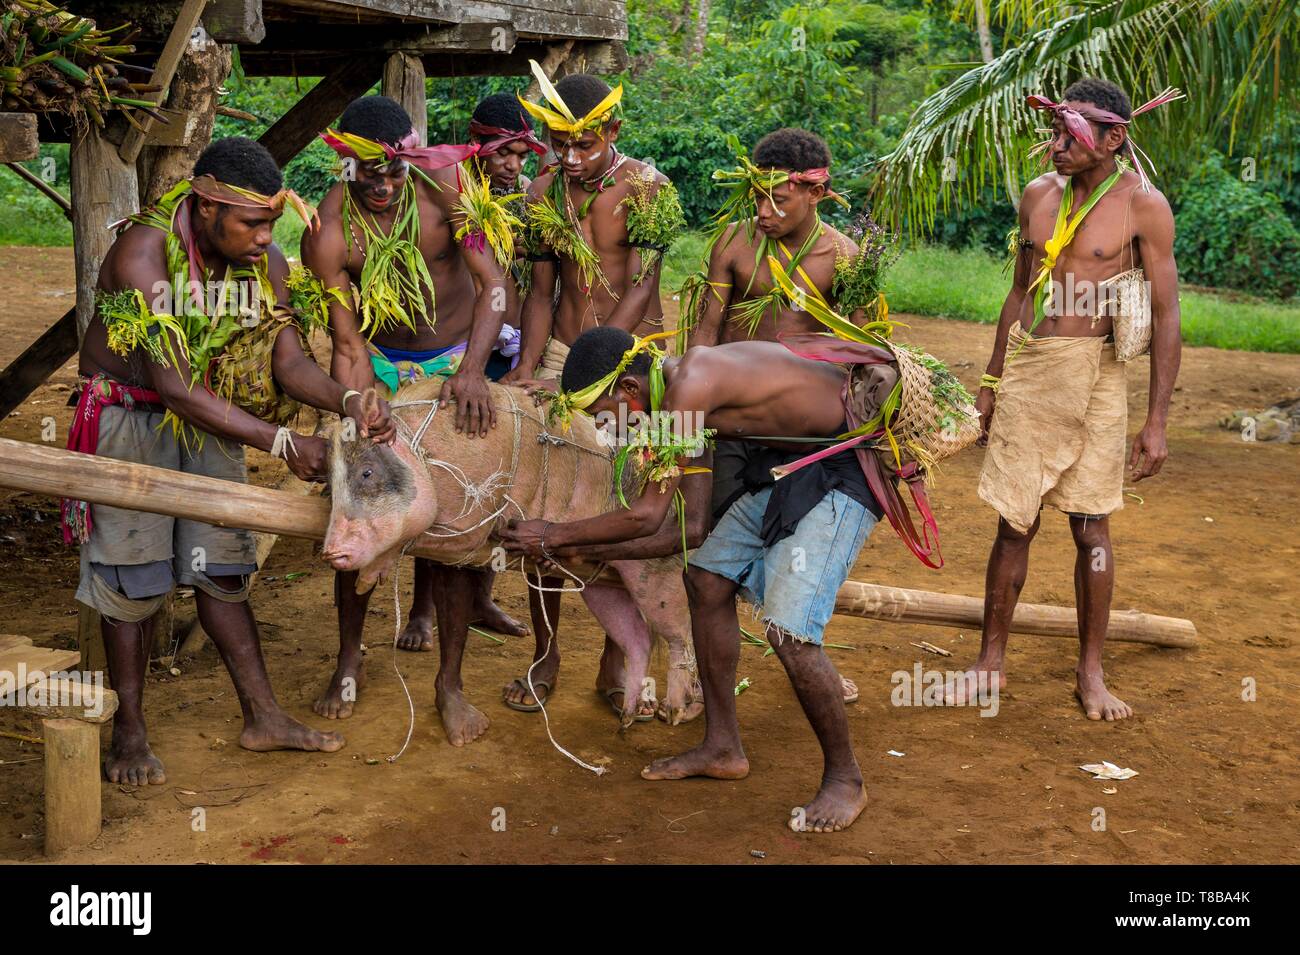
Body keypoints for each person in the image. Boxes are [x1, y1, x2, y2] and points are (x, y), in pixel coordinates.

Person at [67, 136, 386, 783]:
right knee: (134, 578)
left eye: (273, 222)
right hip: (131, 418)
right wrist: (281, 441)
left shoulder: (261, 265)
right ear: (206, 205)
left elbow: (287, 359)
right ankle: (129, 731)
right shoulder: (142, 254)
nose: (267, 238)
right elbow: (176, 387)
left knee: (225, 567)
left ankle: (263, 715)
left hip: (213, 415)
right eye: (253, 223)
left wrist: (348, 397)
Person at [502, 327, 882, 833]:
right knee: (706, 581)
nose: (609, 430)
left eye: (603, 417)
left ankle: (845, 779)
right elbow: (692, 526)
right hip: (793, 465)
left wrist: (552, 535)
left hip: (846, 467)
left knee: (790, 635)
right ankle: (723, 746)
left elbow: (647, 516)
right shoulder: (679, 401)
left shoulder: (690, 386)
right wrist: (573, 548)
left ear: (629, 393)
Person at [950, 77, 1183, 721]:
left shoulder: (1144, 206)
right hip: (1032, 368)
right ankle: (988, 666)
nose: (1055, 147)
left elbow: (1167, 316)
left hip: (1100, 374)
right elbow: (1020, 293)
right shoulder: (1037, 195)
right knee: (1014, 522)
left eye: (1071, 137)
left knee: (1092, 528)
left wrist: (1156, 421)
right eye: (1053, 133)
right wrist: (993, 383)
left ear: (1114, 138)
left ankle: (1091, 673)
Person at [300, 95, 527, 726]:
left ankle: (449, 681)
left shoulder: (449, 190)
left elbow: (496, 286)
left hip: (460, 357)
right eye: (366, 172)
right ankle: (350, 654)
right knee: (359, 502)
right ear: (345, 163)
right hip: (381, 363)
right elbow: (346, 342)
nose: (381, 185)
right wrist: (360, 411)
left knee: (454, 509)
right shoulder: (328, 232)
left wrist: (475, 371)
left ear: (412, 157)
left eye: (394, 171)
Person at [498, 62, 688, 718]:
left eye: (585, 144)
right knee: (542, 499)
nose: (571, 157)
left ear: (613, 130)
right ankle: (545, 652)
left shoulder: (648, 187)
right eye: (560, 144)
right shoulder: (543, 189)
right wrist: (530, 367)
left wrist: (599, 360)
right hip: (560, 355)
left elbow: (640, 286)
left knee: (629, 497)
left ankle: (619, 652)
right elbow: (542, 290)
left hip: (632, 357)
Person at [684, 128, 876, 705]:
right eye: (758, 198)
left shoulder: (844, 257)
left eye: (780, 200)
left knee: (791, 543)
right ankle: (705, 662)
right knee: (710, 544)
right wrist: (689, 425)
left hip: (803, 436)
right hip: (729, 423)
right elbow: (704, 336)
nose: (765, 212)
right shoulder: (734, 244)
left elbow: (863, 354)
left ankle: (803, 644)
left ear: (815, 193)